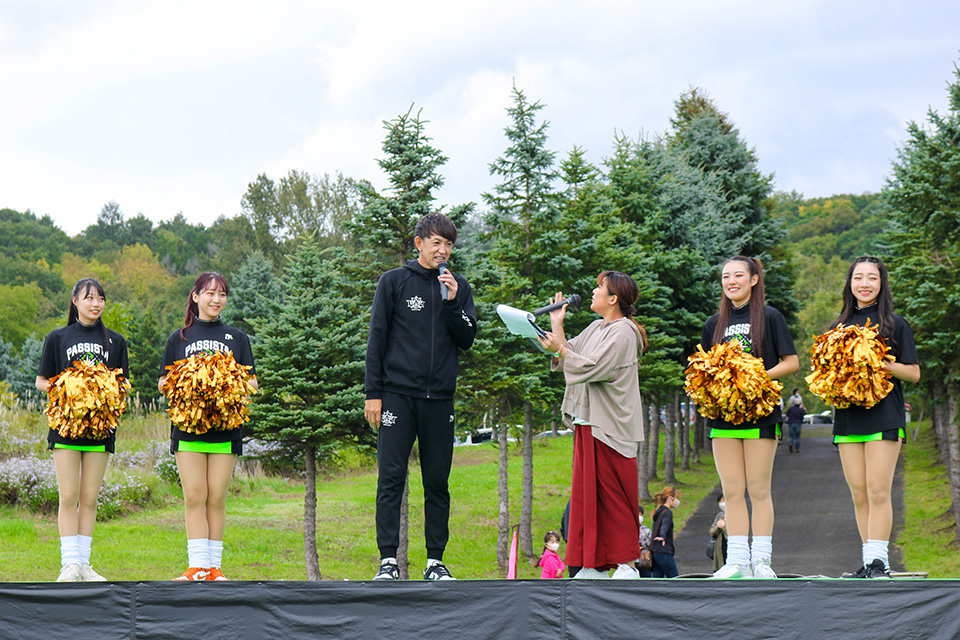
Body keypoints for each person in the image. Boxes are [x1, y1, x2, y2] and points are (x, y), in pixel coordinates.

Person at [366, 213, 478, 581]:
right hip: (397, 396)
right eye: (436, 243)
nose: (443, 251)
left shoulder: (458, 287)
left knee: (437, 481)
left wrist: (452, 300)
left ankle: (435, 562)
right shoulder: (394, 282)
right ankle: (388, 561)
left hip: (439, 400)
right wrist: (374, 394)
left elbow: (467, 338)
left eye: (448, 245)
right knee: (391, 478)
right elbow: (377, 339)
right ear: (419, 244)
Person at [538, 271, 646, 580]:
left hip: (611, 424)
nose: (594, 292)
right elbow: (570, 350)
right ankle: (592, 564)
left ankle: (626, 564)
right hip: (588, 422)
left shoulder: (624, 331)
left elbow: (593, 367)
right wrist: (556, 324)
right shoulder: (598, 327)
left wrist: (559, 349)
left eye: (600, 287)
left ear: (613, 298)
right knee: (587, 498)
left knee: (616, 496)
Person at [702, 256, 799, 579]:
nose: (732, 281)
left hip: (760, 414)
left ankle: (761, 560)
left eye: (739, 275)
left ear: (754, 280)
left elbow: (791, 362)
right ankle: (737, 561)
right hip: (724, 417)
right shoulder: (712, 324)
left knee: (758, 489)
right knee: (732, 490)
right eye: (726, 276)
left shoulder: (771, 318)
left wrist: (756, 378)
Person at [159, 272, 257, 582]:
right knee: (195, 495)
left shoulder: (237, 338)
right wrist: (191, 382)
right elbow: (163, 382)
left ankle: (214, 568)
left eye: (222, 294)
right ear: (196, 296)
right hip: (188, 430)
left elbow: (252, 382)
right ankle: (196, 566)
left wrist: (224, 384)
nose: (216, 300)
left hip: (225, 429)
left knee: (216, 496)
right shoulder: (179, 338)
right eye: (210, 293)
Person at [830, 257, 919, 579]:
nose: (864, 283)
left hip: (885, 416)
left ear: (882, 284)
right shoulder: (836, 328)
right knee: (859, 492)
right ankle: (869, 561)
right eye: (858, 278)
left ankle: (880, 561)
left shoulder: (895, 324)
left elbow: (913, 373)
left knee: (878, 488)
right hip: (848, 418)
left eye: (872, 278)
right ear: (850, 283)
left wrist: (880, 363)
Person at [36, 278, 129, 582]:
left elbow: (123, 384)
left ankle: (84, 564)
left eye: (100, 298)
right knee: (69, 496)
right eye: (89, 298)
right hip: (66, 428)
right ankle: (69, 564)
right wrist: (70, 389)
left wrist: (105, 393)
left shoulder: (116, 341)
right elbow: (42, 381)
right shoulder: (57, 337)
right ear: (75, 301)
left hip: (100, 430)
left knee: (89, 496)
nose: (96, 304)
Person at [650, 486, 680, 578]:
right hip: (664, 550)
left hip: (655, 551)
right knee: (675, 579)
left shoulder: (658, 511)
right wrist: (662, 536)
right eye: (676, 498)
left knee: (657, 580)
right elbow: (665, 526)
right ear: (670, 498)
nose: (677, 501)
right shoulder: (667, 513)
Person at [709, 493, 728, 572]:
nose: (722, 503)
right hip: (720, 549)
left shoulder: (736, 515)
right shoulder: (720, 516)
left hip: (730, 549)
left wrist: (723, 527)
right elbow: (712, 532)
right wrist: (718, 526)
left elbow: (731, 536)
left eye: (724, 500)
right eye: (720, 501)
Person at [637, 505, 653, 578]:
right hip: (632, 562)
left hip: (644, 561)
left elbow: (651, 544)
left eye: (641, 515)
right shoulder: (625, 530)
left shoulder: (646, 530)